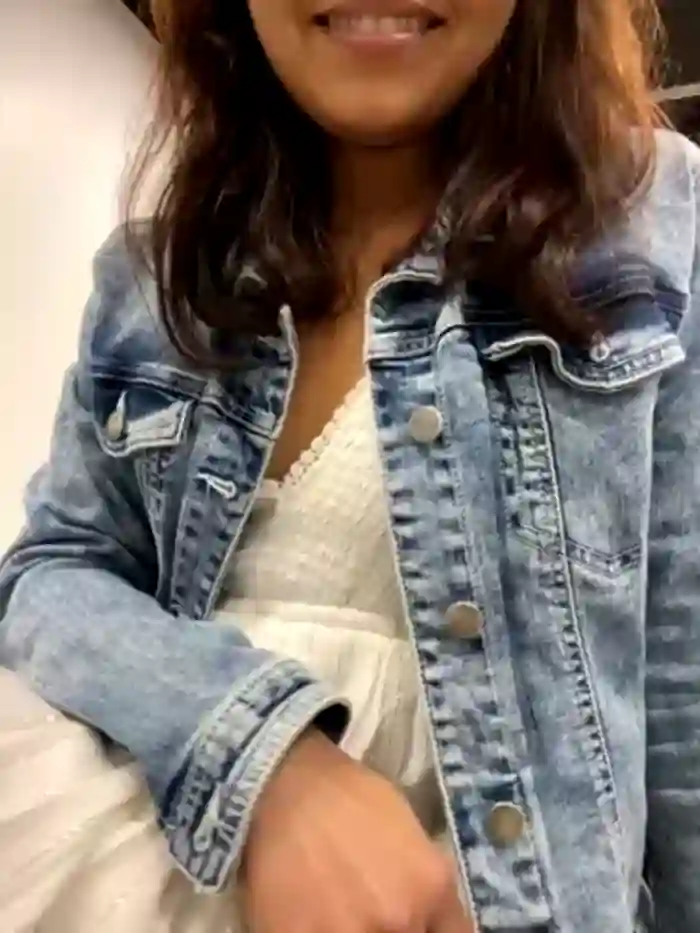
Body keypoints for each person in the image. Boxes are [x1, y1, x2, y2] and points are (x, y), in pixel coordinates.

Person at [0, 0, 698, 931]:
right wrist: (269, 758)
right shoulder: (157, 274)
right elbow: (50, 574)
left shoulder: (656, 226)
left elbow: (684, 709)